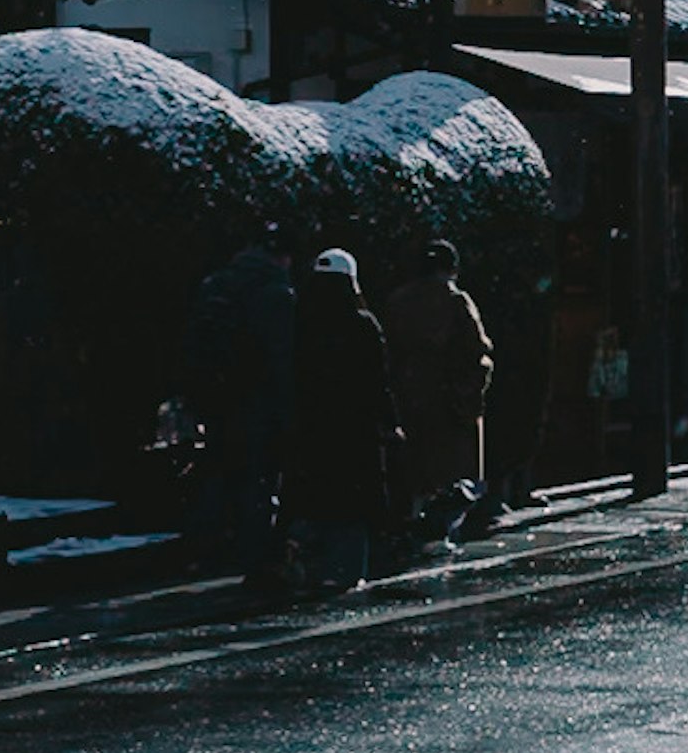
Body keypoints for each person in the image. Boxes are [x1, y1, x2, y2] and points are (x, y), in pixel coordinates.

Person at [185, 227, 295, 582]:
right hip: (257, 402)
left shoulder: (215, 285)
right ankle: (255, 557)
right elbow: (282, 359)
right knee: (257, 481)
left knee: (217, 473)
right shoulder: (276, 294)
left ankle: (204, 550)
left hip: (216, 400)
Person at [289, 248, 401, 591]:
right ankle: (345, 570)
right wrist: (390, 421)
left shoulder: (301, 320)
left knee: (311, 495)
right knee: (352, 503)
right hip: (354, 428)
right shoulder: (362, 324)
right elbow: (378, 380)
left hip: (309, 424)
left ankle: (306, 559)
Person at [382, 238, 495, 547]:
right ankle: (440, 535)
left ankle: (410, 527)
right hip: (449, 403)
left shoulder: (398, 301)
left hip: (408, 399)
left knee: (415, 472)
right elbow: (478, 349)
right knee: (453, 478)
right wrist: (469, 391)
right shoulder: (456, 301)